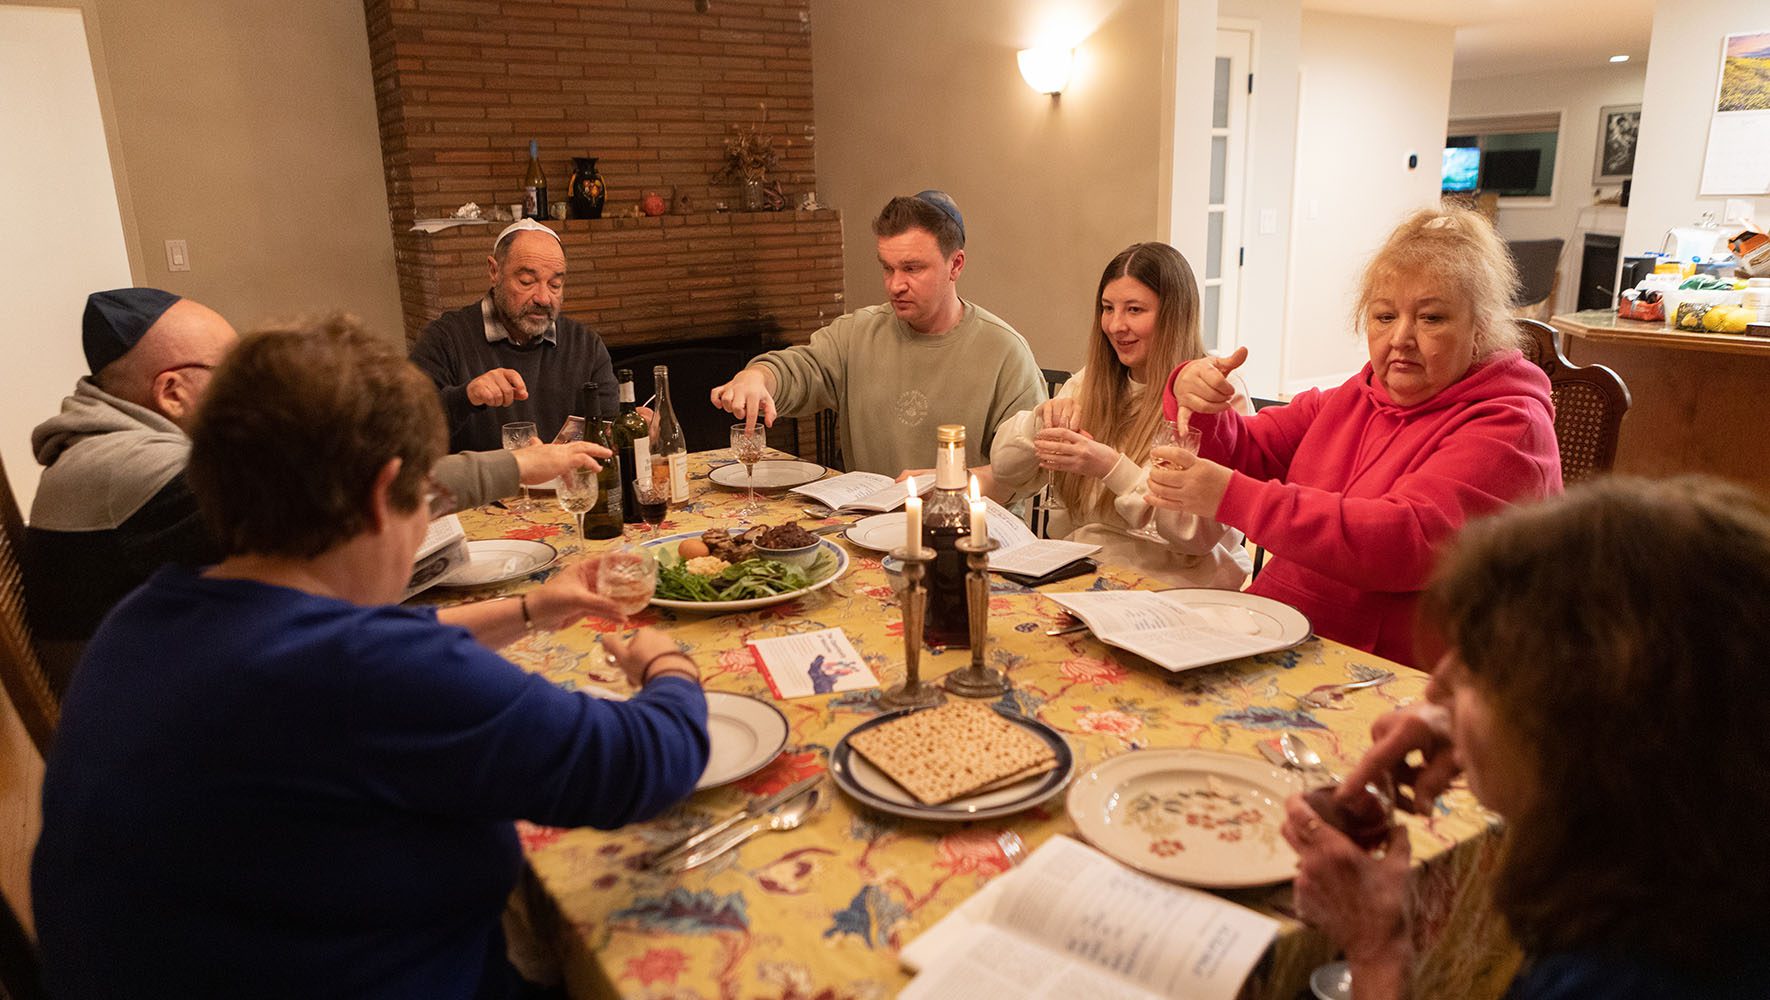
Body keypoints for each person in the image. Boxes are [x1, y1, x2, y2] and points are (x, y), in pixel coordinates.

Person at [32, 315, 710, 998]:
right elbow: (642, 762)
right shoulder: (366, 672)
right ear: (382, 493)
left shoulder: (142, 619)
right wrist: (666, 662)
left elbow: (374, 655)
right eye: (425, 495)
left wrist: (531, 610)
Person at [1282, 476, 1770, 999]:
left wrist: (1377, 948)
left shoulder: (1626, 977)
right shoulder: (1702, 851)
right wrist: (1462, 719)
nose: (1436, 689)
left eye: (1478, 670)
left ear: (1582, 732)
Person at [24, 288, 601, 694]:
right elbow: (343, 501)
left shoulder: (109, 452)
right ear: (172, 392)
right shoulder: (136, 470)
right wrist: (520, 464)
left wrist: (526, 611)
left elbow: (336, 635)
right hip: (178, 739)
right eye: (230, 372)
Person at [1146, 207, 1560, 666]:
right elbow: (1247, 449)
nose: (1401, 337)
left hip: (1406, 674)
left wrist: (1234, 497)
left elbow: (1403, 542)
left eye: (1432, 318)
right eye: (1384, 317)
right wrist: (1198, 399)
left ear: (1479, 329)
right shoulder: (1357, 395)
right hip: (1288, 633)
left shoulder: (1511, 426)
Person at [708, 191, 1045, 478]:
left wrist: (953, 486)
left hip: (974, 539)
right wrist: (758, 376)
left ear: (955, 265)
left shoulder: (1004, 352)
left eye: (912, 268)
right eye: (887, 267)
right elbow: (801, 368)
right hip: (869, 528)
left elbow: (1032, 465)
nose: (895, 285)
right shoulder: (858, 333)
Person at [991, 243, 1251, 588]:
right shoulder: (1089, 383)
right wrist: (1041, 421)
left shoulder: (1215, 394)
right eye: (1107, 308)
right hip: (1082, 572)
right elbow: (1004, 469)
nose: (1115, 325)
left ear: (1175, 315)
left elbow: (1192, 534)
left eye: (1134, 310)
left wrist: (1110, 467)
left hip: (1180, 588)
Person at [410, 218, 617, 453]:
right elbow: (407, 427)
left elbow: (607, 434)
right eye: (527, 281)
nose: (543, 298)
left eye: (555, 285)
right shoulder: (446, 338)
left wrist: (630, 432)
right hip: (480, 489)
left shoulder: (585, 345)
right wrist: (466, 397)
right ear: (494, 271)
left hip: (568, 488)